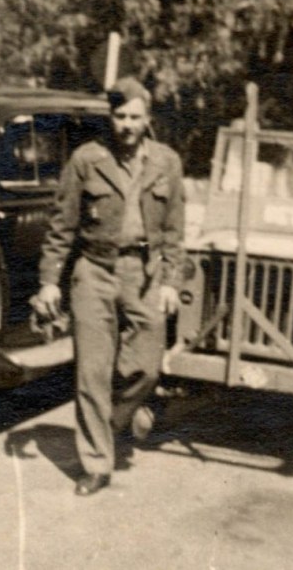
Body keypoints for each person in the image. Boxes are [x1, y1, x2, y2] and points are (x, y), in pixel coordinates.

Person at [33, 76, 185, 496]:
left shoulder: (167, 162)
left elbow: (174, 230)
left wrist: (171, 280)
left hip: (144, 273)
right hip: (94, 271)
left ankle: (111, 423)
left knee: (146, 368)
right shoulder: (87, 159)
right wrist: (49, 282)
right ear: (110, 117)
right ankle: (97, 464)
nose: (127, 125)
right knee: (92, 373)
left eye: (135, 117)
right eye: (120, 116)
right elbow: (61, 226)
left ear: (147, 118)